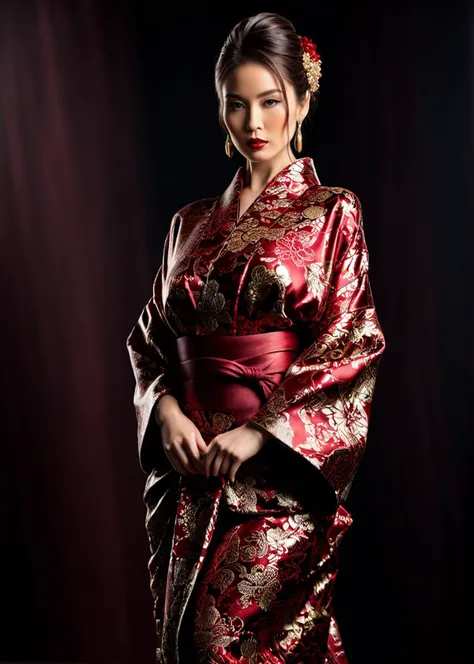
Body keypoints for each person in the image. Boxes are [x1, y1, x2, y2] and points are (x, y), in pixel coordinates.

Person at [126, 11, 386, 664]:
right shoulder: (189, 224)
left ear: (302, 99)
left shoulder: (332, 212)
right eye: (236, 105)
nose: (254, 124)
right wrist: (164, 411)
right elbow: (149, 342)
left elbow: (350, 342)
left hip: (278, 479)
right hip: (193, 473)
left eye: (270, 101)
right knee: (185, 644)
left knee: (224, 642)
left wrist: (262, 430)